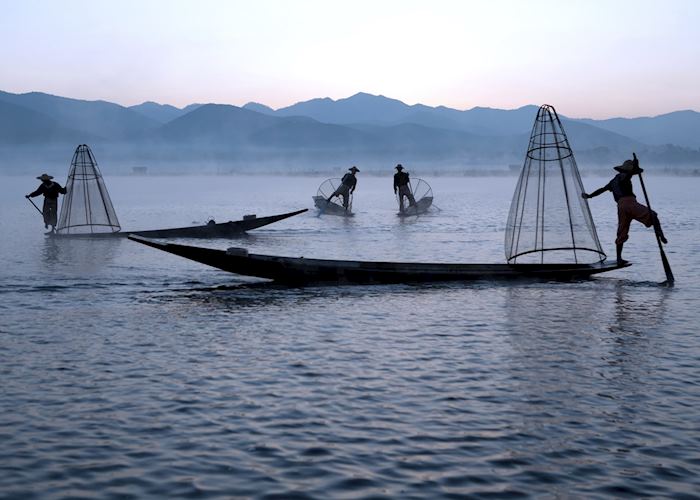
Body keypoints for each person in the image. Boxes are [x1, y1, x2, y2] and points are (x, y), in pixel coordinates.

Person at [582, 154, 667, 265]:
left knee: (622, 232)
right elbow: (628, 175)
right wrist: (634, 167)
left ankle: (619, 258)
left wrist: (590, 196)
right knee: (653, 216)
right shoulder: (624, 176)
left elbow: (602, 189)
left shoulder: (613, 181)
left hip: (621, 206)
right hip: (630, 203)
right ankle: (661, 234)